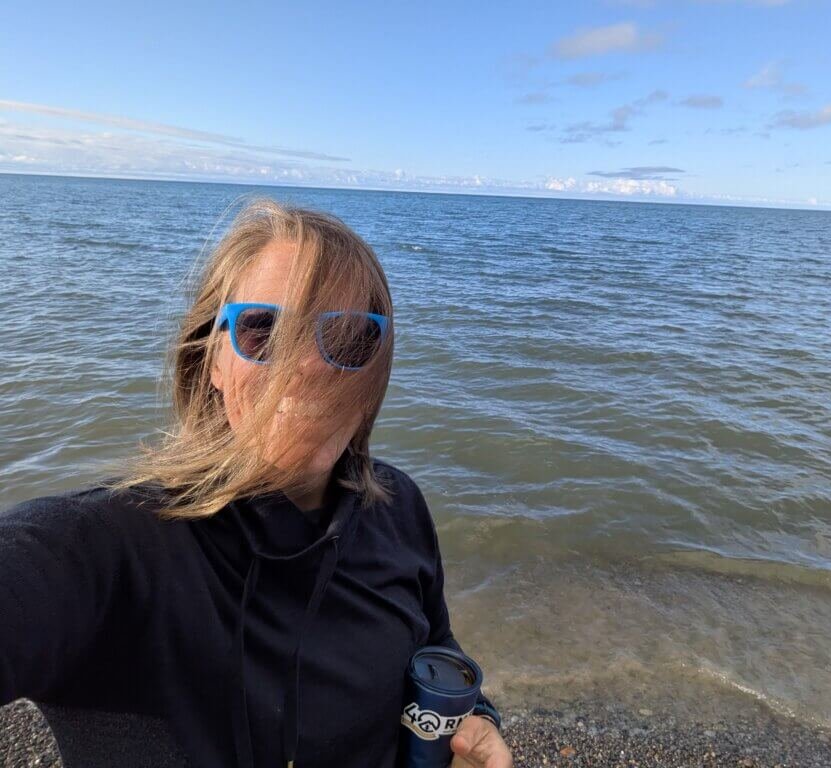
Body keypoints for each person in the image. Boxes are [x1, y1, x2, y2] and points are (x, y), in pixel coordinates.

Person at [0, 198, 514, 768]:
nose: (307, 365)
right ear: (211, 359)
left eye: (349, 338)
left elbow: (435, 646)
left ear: (376, 372)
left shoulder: (399, 509)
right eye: (263, 328)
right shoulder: (111, 550)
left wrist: (476, 723)